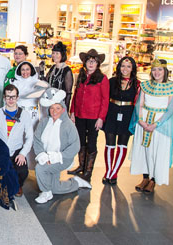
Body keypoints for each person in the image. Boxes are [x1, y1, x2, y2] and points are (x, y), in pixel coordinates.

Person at [129, 59, 173, 193]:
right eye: (154, 69)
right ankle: (145, 178)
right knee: (144, 151)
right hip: (144, 123)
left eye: (160, 69)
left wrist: (156, 124)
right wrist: (141, 120)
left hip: (160, 127)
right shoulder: (145, 86)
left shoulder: (172, 88)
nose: (156, 72)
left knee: (157, 153)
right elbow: (139, 104)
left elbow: (171, 110)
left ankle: (153, 180)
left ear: (165, 71)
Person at [34, 88, 90, 204]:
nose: (54, 111)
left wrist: (57, 157)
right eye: (52, 108)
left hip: (62, 159)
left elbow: (75, 146)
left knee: (40, 168)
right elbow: (37, 140)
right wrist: (42, 155)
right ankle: (76, 183)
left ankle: (46, 193)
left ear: (63, 109)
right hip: (46, 157)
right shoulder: (44, 122)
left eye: (57, 108)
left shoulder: (68, 125)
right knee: (55, 188)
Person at [69, 49, 109, 182]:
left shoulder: (102, 79)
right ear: (85, 63)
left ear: (97, 64)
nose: (91, 64)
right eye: (88, 61)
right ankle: (81, 166)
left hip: (93, 117)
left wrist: (101, 118)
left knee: (91, 143)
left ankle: (88, 171)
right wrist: (73, 112)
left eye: (93, 61)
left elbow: (105, 100)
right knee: (80, 141)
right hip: (80, 115)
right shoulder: (81, 76)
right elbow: (76, 95)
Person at [102, 56, 140, 185]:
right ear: (119, 67)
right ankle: (108, 171)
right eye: (123, 66)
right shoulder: (111, 81)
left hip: (128, 115)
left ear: (133, 68)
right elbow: (105, 98)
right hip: (112, 113)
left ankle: (114, 173)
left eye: (128, 66)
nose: (125, 69)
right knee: (109, 144)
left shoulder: (137, 84)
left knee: (122, 145)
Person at [0, 84, 34, 197]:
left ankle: (18, 185)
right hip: (1, 149)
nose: (10, 100)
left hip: (16, 150)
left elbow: (30, 137)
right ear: (4, 98)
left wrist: (22, 154)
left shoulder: (24, 115)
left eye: (13, 97)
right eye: (8, 97)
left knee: (22, 171)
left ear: (17, 98)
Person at [10, 61, 49, 130]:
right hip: (18, 113)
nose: (25, 72)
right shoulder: (15, 83)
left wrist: (43, 117)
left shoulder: (37, 83)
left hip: (33, 114)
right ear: (19, 71)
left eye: (27, 69)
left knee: (32, 132)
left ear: (31, 70)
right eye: (23, 70)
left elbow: (43, 101)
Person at [46, 42, 74, 110]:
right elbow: (46, 83)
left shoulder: (67, 71)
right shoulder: (53, 68)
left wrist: (65, 109)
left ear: (62, 55)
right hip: (50, 104)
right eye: (53, 53)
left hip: (60, 106)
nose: (54, 55)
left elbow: (68, 93)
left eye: (57, 53)